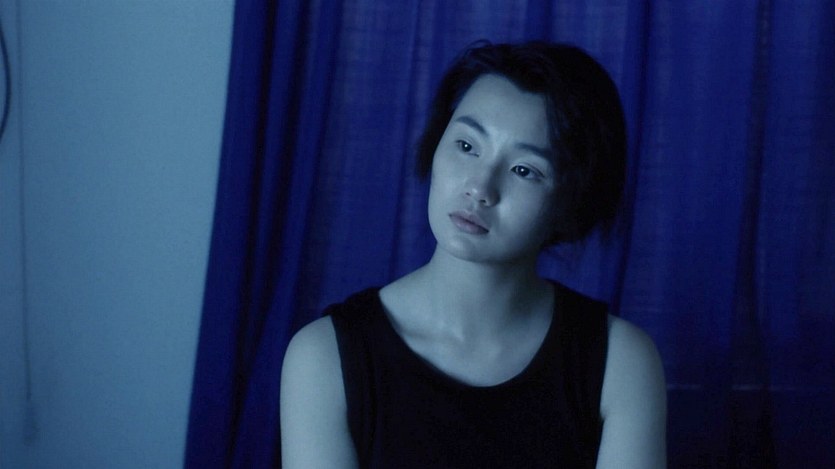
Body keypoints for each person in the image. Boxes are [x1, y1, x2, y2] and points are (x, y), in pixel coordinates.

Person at [280, 41, 666, 468]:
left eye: (524, 170)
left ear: (571, 202)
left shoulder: (620, 362)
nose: (480, 188)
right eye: (466, 146)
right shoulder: (324, 357)